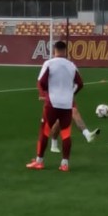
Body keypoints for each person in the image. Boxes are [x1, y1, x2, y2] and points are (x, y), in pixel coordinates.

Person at [27, 41, 84, 172]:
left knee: (45, 130)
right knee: (66, 133)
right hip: (66, 104)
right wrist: (71, 93)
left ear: (54, 51)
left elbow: (41, 82)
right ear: (65, 51)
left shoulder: (49, 63)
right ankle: (64, 164)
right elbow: (80, 84)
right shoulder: (71, 65)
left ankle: (39, 161)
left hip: (52, 103)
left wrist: (45, 94)